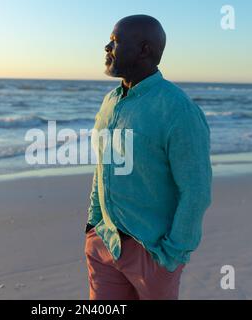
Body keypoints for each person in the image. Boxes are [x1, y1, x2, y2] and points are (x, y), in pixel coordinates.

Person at [84, 14, 213, 300]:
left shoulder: (178, 110)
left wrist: (172, 254)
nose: (107, 47)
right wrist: (93, 223)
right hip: (104, 241)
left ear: (144, 50)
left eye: (115, 41)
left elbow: (196, 190)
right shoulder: (110, 101)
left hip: (152, 252)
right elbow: (103, 166)